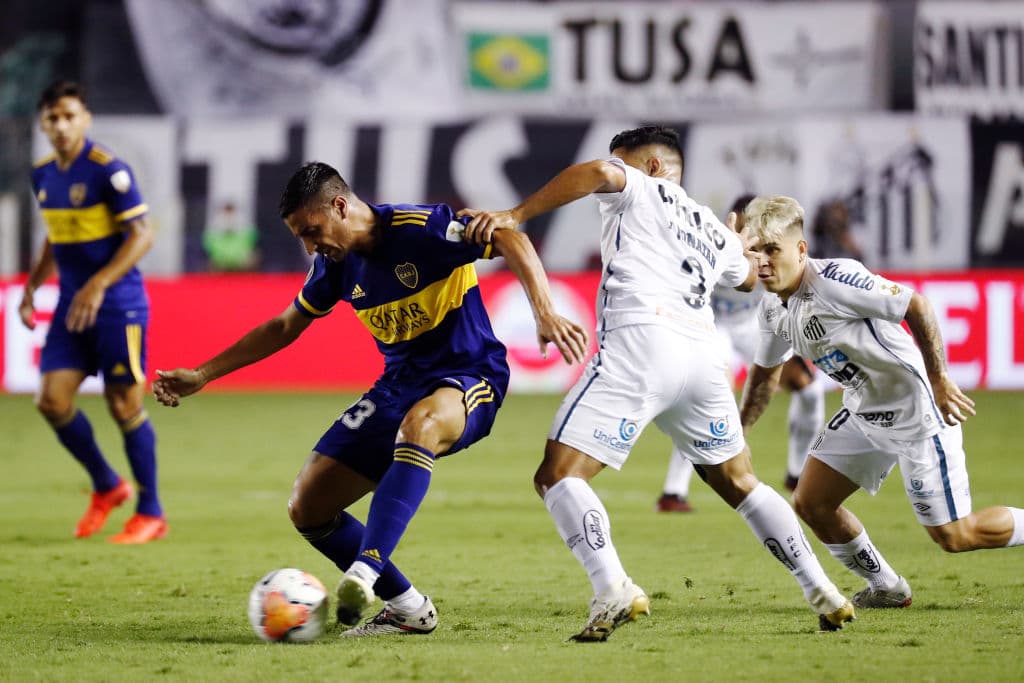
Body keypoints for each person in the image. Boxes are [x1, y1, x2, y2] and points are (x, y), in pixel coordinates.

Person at [152, 161, 588, 637]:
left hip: (469, 376)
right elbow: (283, 326)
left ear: (340, 205)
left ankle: (365, 571)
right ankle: (407, 607)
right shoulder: (334, 267)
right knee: (308, 506)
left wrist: (544, 312)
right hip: (397, 386)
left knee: (421, 426)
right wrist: (202, 374)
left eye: (311, 230)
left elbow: (512, 239)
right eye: (300, 236)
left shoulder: (420, 229)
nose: (309, 245)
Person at [460, 126, 854, 641]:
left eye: (622, 164)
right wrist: (734, 242)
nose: (611, 175)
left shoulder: (637, 186)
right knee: (740, 482)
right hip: (702, 358)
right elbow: (745, 278)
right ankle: (823, 590)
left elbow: (601, 173)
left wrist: (515, 215)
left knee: (557, 476)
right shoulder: (712, 228)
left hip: (641, 342)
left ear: (649, 167)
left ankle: (613, 588)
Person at [738, 195, 1024, 609]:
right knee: (811, 502)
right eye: (755, 251)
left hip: (917, 412)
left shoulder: (837, 280)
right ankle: (888, 587)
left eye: (772, 250)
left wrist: (940, 379)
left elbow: (917, 305)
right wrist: (739, 433)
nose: (762, 262)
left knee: (955, 536)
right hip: (863, 412)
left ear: (800, 250)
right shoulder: (771, 308)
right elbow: (766, 374)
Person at [20, 80, 165, 544]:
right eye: (52, 118)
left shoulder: (108, 170)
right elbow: (54, 235)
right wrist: (31, 287)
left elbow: (143, 234)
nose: (61, 125)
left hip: (117, 303)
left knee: (124, 404)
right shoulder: (43, 174)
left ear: (85, 118)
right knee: (52, 400)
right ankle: (107, 486)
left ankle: (151, 511)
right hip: (70, 303)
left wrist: (99, 284)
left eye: (69, 115)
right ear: (43, 124)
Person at [656, 194, 825, 513]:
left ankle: (796, 472)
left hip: (751, 325)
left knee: (810, 388)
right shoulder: (713, 243)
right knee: (707, 397)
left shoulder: (772, 248)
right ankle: (673, 492)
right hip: (713, 325)